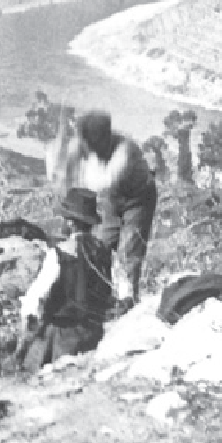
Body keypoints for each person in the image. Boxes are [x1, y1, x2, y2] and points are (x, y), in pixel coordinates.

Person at [53, 110, 157, 305]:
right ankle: (100, 295)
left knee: (129, 251)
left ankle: (128, 301)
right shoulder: (84, 144)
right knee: (100, 246)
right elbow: (65, 171)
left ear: (103, 140)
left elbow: (105, 180)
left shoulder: (126, 150)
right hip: (112, 198)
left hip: (138, 200)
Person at [18, 187, 113, 372]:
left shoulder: (60, 254)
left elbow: (34, 300)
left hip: (63, 337)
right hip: (95, 333)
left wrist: (26, 334)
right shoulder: (105, 253)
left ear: (70, 222)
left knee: (31, 370)